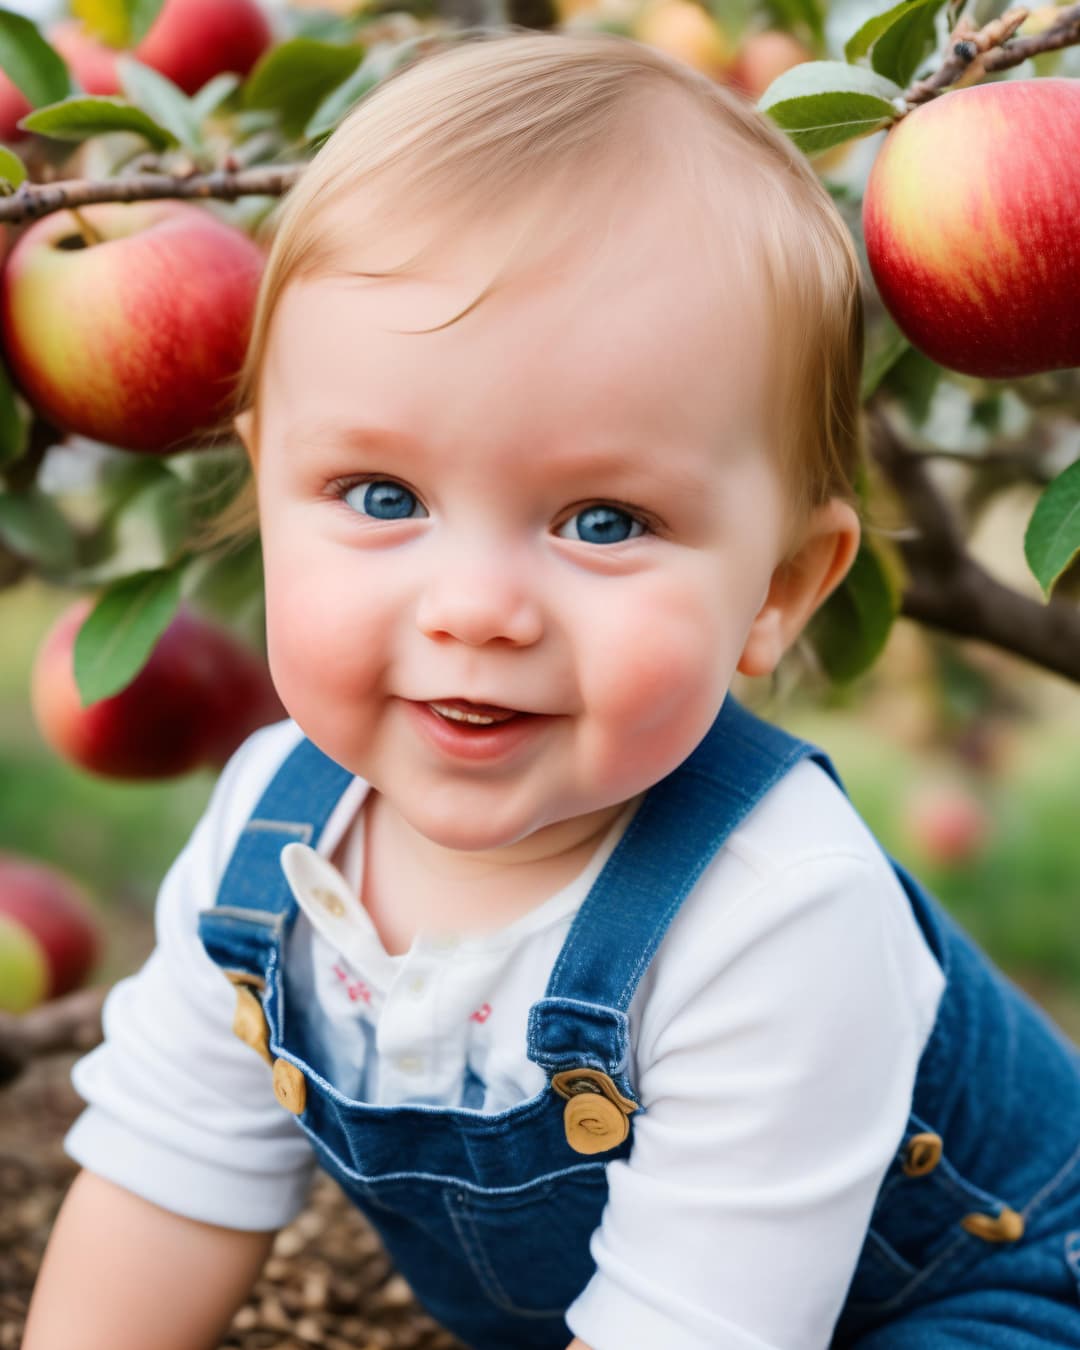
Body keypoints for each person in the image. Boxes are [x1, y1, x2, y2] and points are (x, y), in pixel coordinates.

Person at [22, 28, 1080, 1350]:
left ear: (781, 588)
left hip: (982, 1299)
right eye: (382, 496)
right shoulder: (267, 839)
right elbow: (164, 1180)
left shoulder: (774, 913)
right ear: (266, 485)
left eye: (601, 520)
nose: (476, 608)